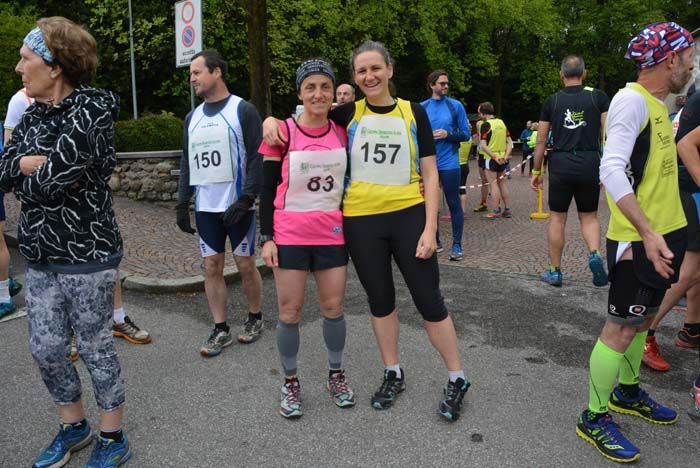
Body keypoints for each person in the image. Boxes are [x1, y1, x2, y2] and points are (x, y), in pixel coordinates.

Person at [263, 41, 470, 422]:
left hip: (408, 217)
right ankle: (393, 372)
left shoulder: (414, 112)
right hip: (360, 222)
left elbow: (430, 173)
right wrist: (269, 121)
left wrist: (430, 228)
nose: (369, 76)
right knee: (380, 301)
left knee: (429, 300)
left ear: (389, 69)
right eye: (361, 71)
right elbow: (307, 115)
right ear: (354, 78)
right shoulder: (347, 113)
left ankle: (457, 377)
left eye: (375, 68)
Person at [0, 17, 133, 467]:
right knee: (46, 348)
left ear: (55, 65)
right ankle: (74, 426)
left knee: (95, 347)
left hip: (87, 254)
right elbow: (4, 172)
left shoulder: (92, 110)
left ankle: (113, 437)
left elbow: (51, 180)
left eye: (26, 58)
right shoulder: (31, 114)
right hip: (40, 255)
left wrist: (27, 171)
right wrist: (24, 165)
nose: (19, 68)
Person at [575, 22, 695, 463]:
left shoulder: (658, 104)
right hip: (639, 240)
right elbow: (611, 169)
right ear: (670, 59)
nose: (692, 66)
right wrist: (646, 232)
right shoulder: (631, 101)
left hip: (662, 236)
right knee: (621, 329)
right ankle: (593, 416)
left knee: (640, 325)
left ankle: (626, 392)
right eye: (689, 58)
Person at [259, 59, 354, 419]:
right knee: (290, 312)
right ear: (299, 93)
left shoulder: (344, 129)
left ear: (334, 93)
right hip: (290, 235)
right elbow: (267, 189)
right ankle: (290, 380)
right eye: (310, 87)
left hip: (331, 233)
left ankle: (336, 374)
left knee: (333, 308)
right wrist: (266, 238)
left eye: (325, 87)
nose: (318, 94)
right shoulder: (282, 132)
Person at [176, 50, 264, 357]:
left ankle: (255, 317)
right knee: (211, 266)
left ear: (216, 73)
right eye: (191, 73)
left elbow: (256, 157)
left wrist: (247, 198)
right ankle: (220, 328)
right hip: (206, 207)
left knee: (245, 264)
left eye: (197, 72)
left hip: (237, 205)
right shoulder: (192, 118)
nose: (192, 78)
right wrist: (182, 202)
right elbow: (187, 161)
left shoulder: (243, 110)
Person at [530, 55, 610, 288]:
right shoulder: (598, 97)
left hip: (561, 163)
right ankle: (594, 253)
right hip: (589, 161)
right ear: (584, 74)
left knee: (557, 218)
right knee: (589, 217)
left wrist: (536, 170)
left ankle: (555, 272)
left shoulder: (552, 101)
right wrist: (607, 167)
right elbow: (608, 134)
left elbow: (541, 140)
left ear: (561, 75)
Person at [642, 85, 700, 371]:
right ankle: (644, 333)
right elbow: (685, 145)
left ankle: (692, 328)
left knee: (696, 269)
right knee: (690, 271)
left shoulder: (694, 99)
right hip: (692, 192)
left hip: (686, 189)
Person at [421, 70, 471, 261]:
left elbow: (466, 134)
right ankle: (435, 239)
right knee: (428, 204)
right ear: (432, 85)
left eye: (447, 83)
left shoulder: (455, 106)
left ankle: (457, 245)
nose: (446, 86)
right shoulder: (422, 107)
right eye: (442, 83)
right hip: (428, 163)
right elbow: (414, 136)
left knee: (453, 203)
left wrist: (447, 134)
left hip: (449, 162)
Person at [477, 102, 513, 219]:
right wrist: (506, 156)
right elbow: (510, 142)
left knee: (493, 184)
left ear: (484, 113)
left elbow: (483, 145)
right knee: (502, 183)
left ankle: (496, 210)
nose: (479, 116)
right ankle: (507, 209)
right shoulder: (501, 123)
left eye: (480, 113)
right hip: (502, 158)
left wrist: (494, 157)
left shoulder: (485, 125)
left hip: (491, 158)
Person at [472, 117, 490, 212]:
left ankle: (497, 207)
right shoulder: (499, 123)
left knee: (489, 181)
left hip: (487, 154)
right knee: (486, 181)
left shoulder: (482, 124)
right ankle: (484, 203)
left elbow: (480, 141)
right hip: (485, 154)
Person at [458, 138, 473, 213]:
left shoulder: (456, 138)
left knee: (454, 190)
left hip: (456, 165)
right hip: (465, 165)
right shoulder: (469, 138)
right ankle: (463, 211)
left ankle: (455, 211)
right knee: (462, 189)